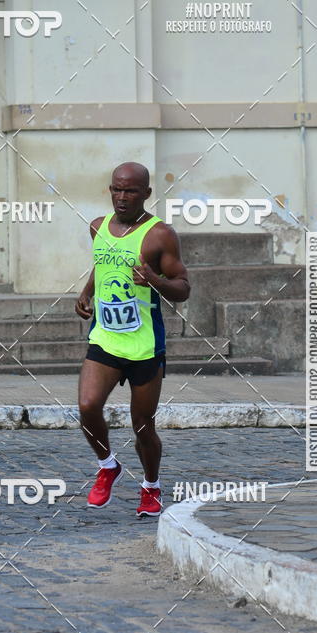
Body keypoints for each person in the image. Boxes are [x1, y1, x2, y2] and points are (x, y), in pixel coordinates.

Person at [75, 162, 190, 517]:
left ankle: (151, 486)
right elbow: (103, 262)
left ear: (146, 194)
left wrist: (154, 280)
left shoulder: (160, 235)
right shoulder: (98, 227)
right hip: (106, 338)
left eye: (130, 191)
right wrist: (87, 292)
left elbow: (183, 288)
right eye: (116, 190)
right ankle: (108, 465)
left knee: (143, 425)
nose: (121, 198)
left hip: (144, 345)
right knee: (87, 406)